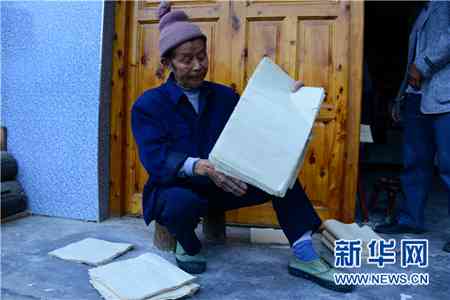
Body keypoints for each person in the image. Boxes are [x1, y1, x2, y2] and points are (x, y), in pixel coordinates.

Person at [131, 1, 354, 292]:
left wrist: (287, 102)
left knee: (281, 178)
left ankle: (303, 253)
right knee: (179, 203)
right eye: (187, 59)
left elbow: (256, 127)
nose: (198, 65)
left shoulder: (223, 96)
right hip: (178, 187)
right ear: (167, 63)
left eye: (201, 56)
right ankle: (187, 243)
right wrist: (199, 166)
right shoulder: (149, 105)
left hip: (225, 184)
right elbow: (155, 158)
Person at [375, 1, 450, 253]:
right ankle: (411, 219)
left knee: (449, 166)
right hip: (416, 96)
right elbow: (411, 62)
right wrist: (400, 97)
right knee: (414, 162)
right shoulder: (421, 11)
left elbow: (426, 57)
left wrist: (425, 64)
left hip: (445, 97)